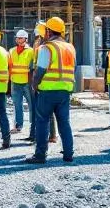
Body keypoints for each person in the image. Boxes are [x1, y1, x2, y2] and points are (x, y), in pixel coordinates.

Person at [23, 16, 75, 164]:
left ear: (48, 31)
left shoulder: (47, 48)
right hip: (65, 90)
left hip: (47, 91)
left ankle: (40, 155)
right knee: (64, 122)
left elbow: (40, 70)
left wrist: (34, 85)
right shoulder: (70, 47)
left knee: (42, 122)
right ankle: (68, 154)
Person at [24, 21, 57, 146]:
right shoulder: (39, 44)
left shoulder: (46, 45)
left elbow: (40, 64)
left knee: (45, 110)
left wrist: (34, 81)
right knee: (40, 109)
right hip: (38, 77)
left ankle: (49, 135)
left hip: (43, 79)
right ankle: (37, 135)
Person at [7, 29, 35, 134]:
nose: (19, 40)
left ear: (26, 39)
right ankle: (18, 125)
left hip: (27, 83)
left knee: (31, 105)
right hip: (15, 82)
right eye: (17, 38)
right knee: (17, 105)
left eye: (21, 38)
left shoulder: (31, 51)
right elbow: (9, 67)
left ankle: (33, 126)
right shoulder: (11, 51)